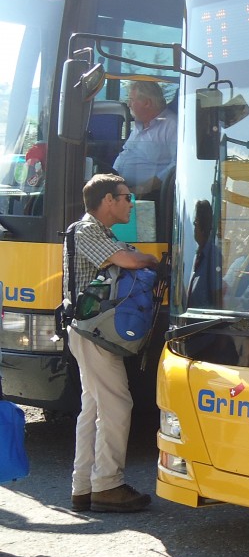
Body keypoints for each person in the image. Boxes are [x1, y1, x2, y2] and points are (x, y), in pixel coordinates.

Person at [63, 174, 159, 513]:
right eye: (126, 197)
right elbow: (131, 260)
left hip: (91, 334)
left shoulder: (103, 233)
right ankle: (108, 485)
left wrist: (138, 255)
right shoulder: (87, 229)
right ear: (107, 200)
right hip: (95, 334)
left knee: (93, 409)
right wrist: (152, 259)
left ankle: (84, 486)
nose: (131, 204)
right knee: (117, 406)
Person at [112, 81, 175, 197]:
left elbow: (176, 165)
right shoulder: (140, 124)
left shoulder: (171, 125)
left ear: (146, 103)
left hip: (147, 194)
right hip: (119, 186)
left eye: (131, 100)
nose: (128, 104)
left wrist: (144, 187)